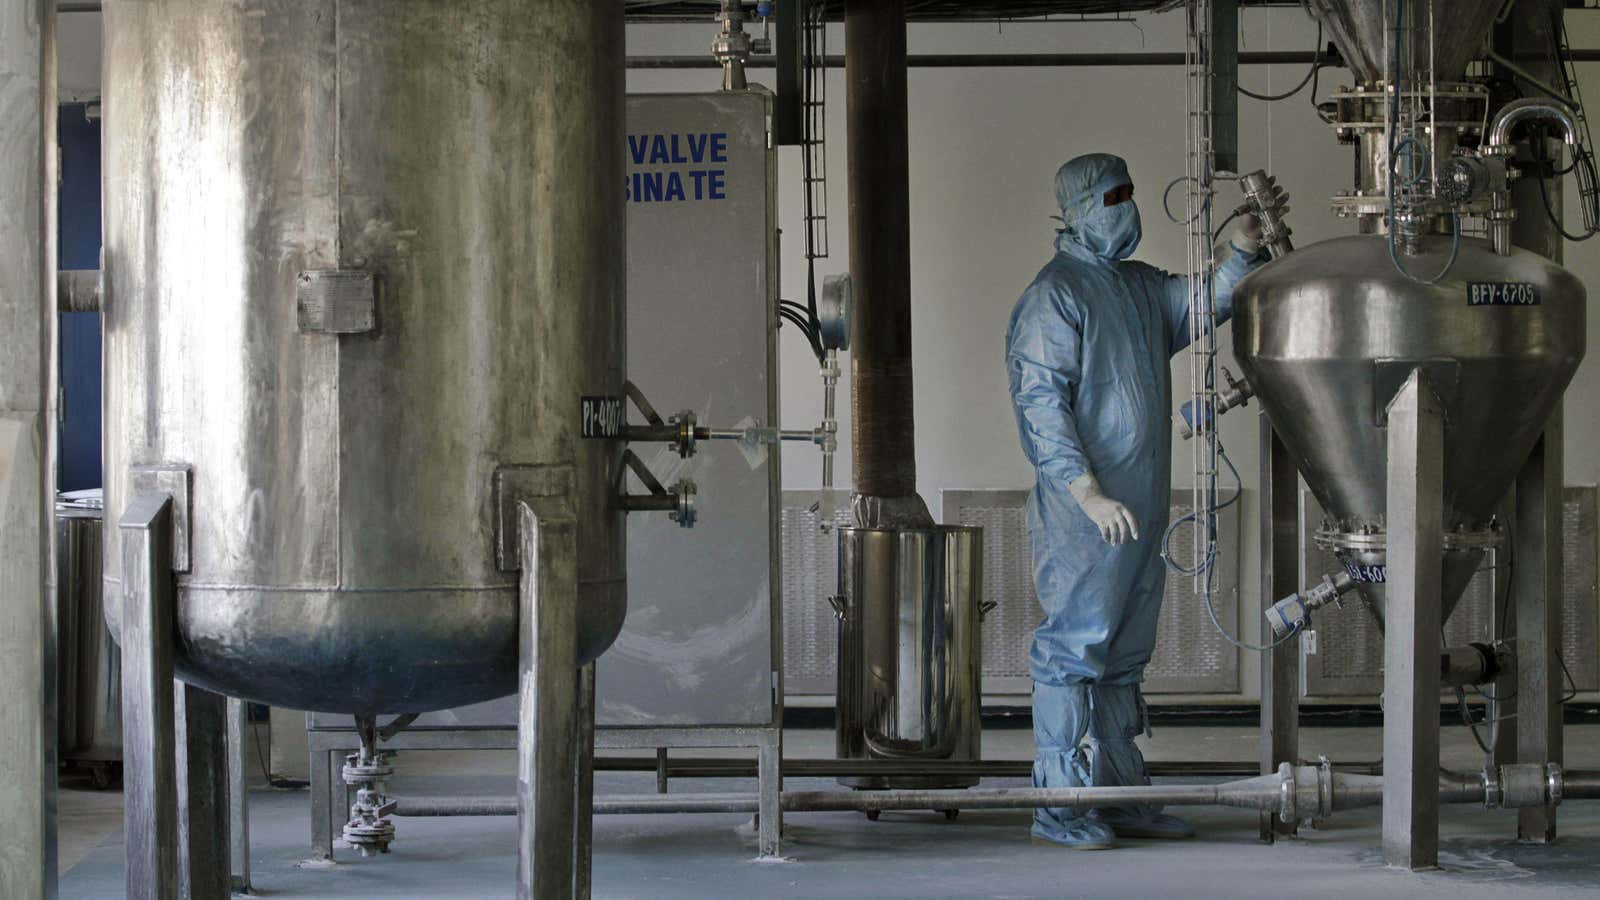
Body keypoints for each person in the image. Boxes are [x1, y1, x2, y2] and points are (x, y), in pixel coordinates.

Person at [1004, 153, 1274, 850]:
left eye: (1129, 192)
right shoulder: (1055, 295)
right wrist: (1085, 490)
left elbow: (1206, 299)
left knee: (1124, 656)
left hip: (1141, 505)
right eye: (1111, 196)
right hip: (1086, 515)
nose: (1126, 206)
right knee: (1074, 652)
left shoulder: (1136, 288)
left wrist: (1243, 247)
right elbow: (1042, 405)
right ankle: (1060, 804)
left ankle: (1121, 792)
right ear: (1077, 209)